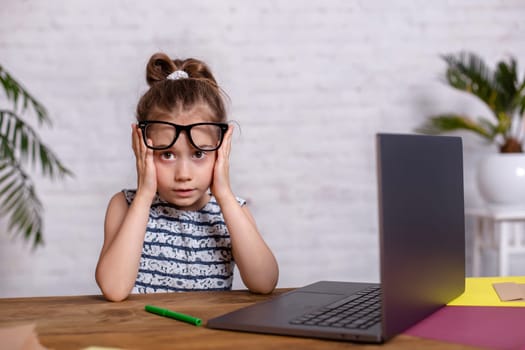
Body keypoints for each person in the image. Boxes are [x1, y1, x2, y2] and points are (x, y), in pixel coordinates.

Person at [95, 52, 279, 302]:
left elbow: (264, 282)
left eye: (199, 153)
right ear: (141, 147)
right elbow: (114, 289)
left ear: (221, 149)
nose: (183, 175)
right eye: (167, 154)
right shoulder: (125, 206)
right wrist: (145, 194)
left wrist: (224, 194)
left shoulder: (233, 211)